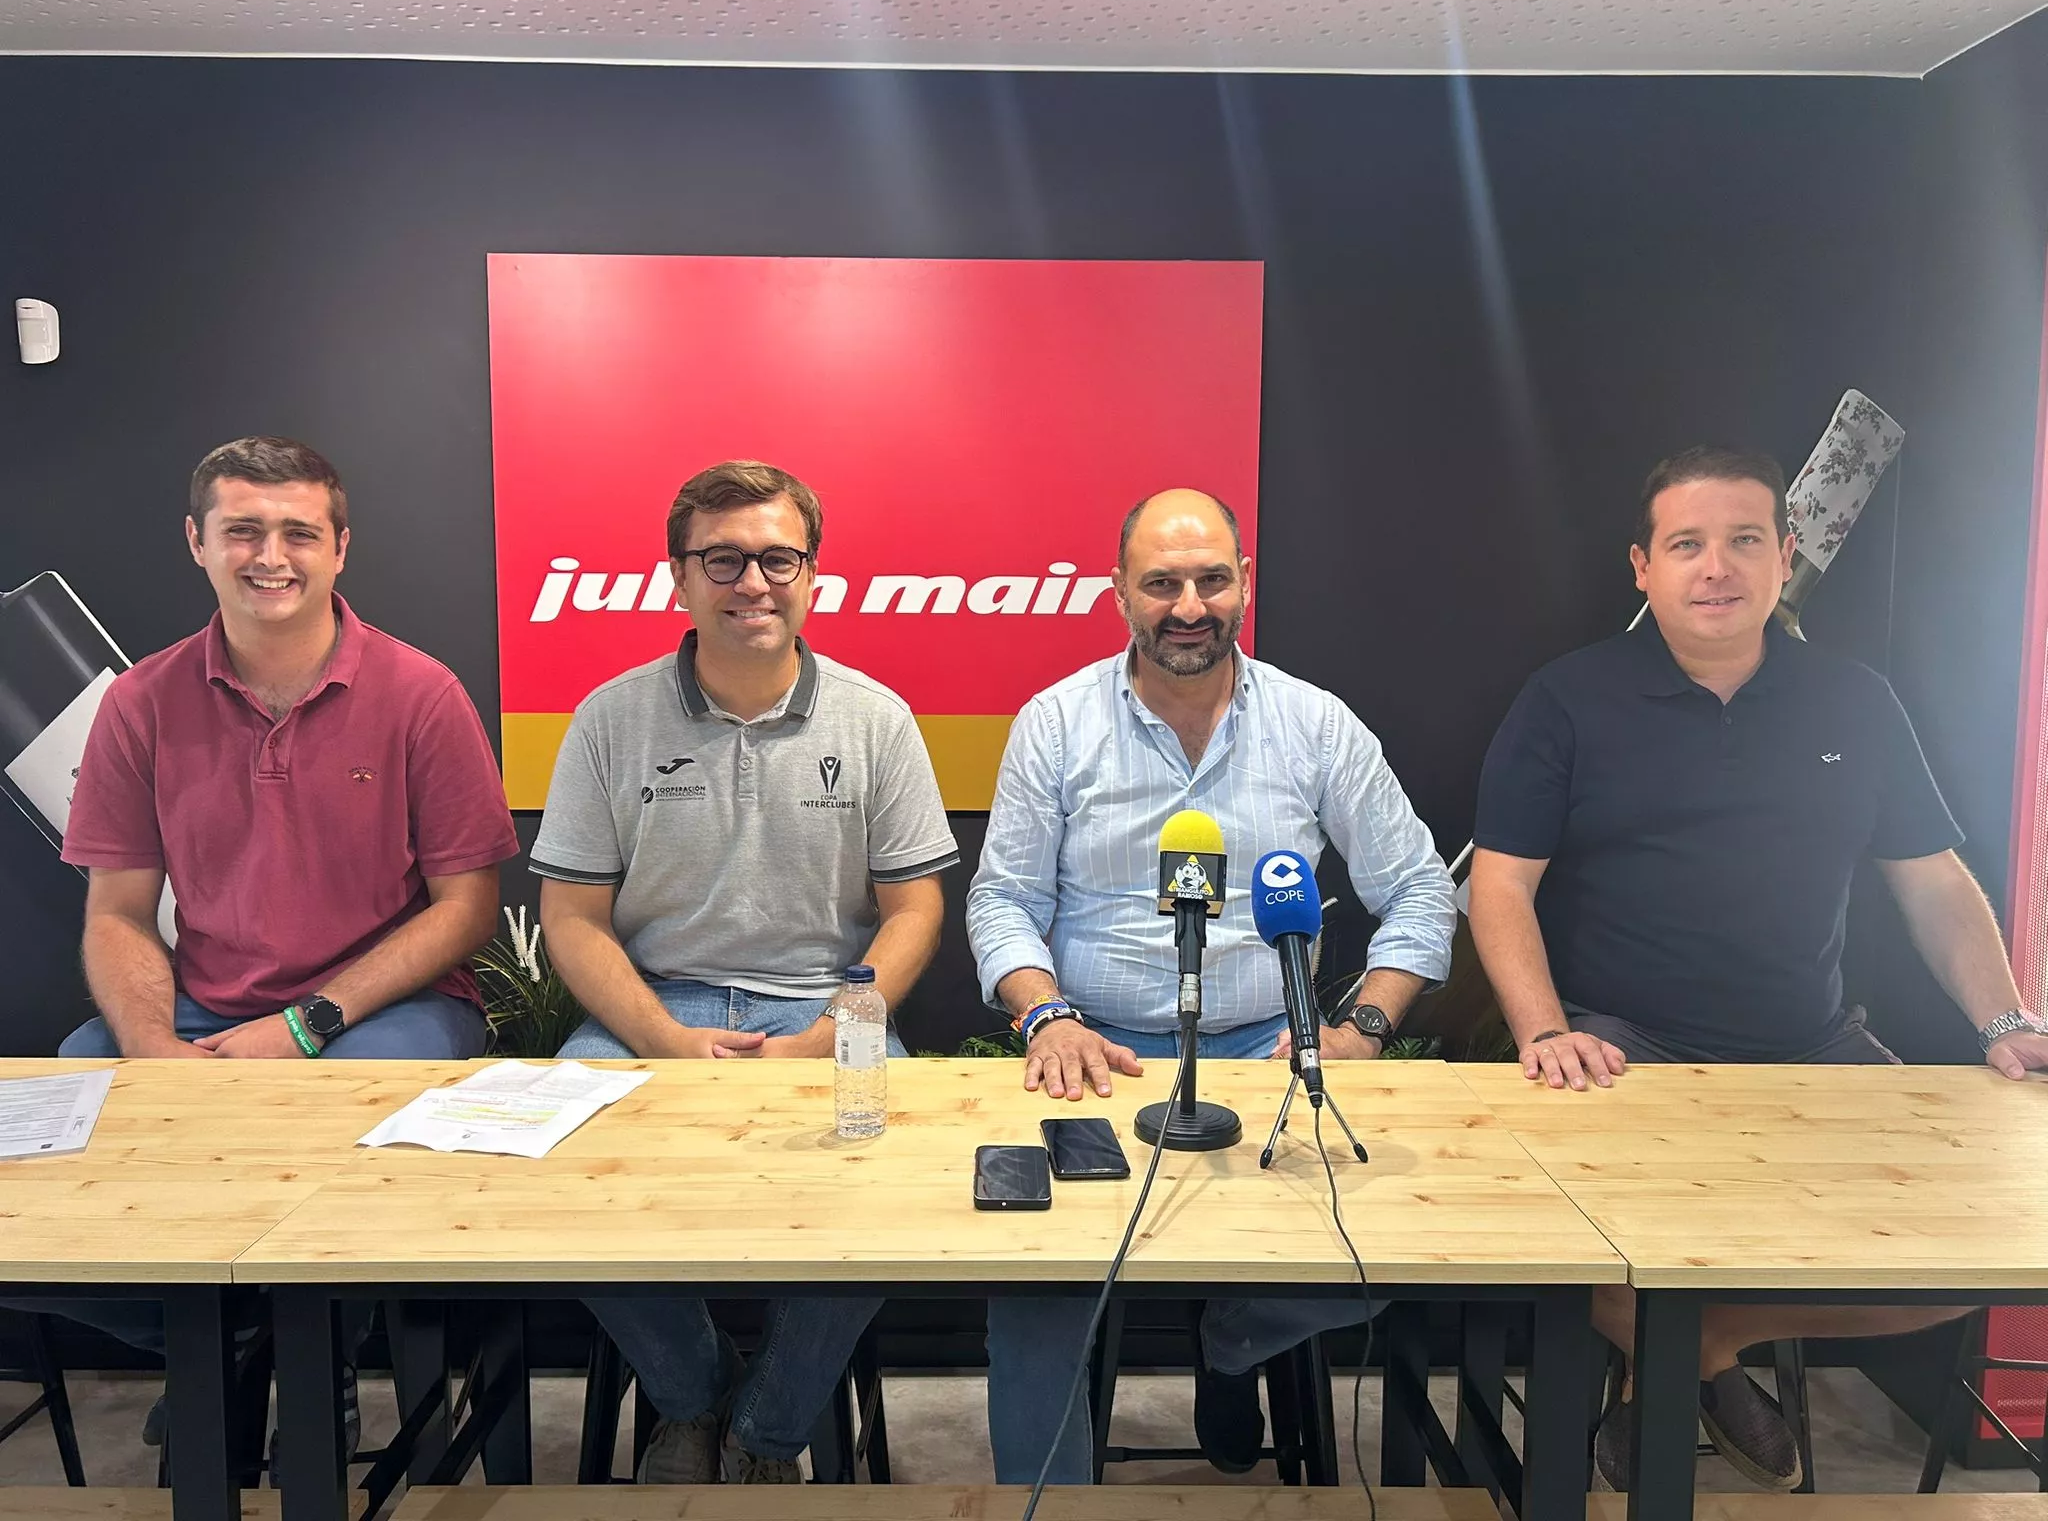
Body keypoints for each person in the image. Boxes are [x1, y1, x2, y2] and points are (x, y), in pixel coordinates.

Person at [1468, 444, 2048, 1492]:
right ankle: (1695, 1350)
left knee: (1991, 1241)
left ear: (1784, 557)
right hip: (1615, 1049)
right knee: (1540, 1230)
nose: (1715, 567)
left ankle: (1691, 1348)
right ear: (1641, 567)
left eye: (1742, 541)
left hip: (1808, 1046)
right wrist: (1544, 1032)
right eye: (1686, 545)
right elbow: (1499, 886)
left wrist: (2002, 1022)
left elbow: (1930, 879)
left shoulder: (1856, 700)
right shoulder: (1566, 698)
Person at [966, 488, 1457, 1481]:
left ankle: (1231, 1332)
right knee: (1032, 1296)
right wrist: (1045, 1014)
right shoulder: (1055, 725)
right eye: (1160, 584)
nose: (1187, 605)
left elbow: (1417, 893)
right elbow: (1001, 901)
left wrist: (1357, 1028)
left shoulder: (1317, 728)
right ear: (1118, 596)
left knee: (1397, 1250)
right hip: (1093, 1059)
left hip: (1265, 1057)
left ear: (1244, 586)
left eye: (1209, 580)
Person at [44, 433, 519, 1447]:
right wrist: (154, 1052)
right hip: (204, 1008)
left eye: (299, 531)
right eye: (244, 530)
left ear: (340, 547)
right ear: (197, 543)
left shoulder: (419, 693)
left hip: (391, 1010)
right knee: (62, 1138)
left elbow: (465, 910)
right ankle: (242, 1339)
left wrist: (302, 1027)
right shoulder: (140, 704)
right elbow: (119, 912)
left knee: (335, 1122)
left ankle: (295, 1353)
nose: (273, 555)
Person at [533, 459, 957, 1484]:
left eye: (776, 557)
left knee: (890, 1180)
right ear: (678, 577)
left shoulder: (874, 718)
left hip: (823, 1001)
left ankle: (767, 1430)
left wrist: (832, 1031)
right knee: (554, 1169)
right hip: (655, 1005)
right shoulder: (609, 718)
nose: (751, 581)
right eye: (722, 559)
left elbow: (914, 910)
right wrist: (664, 1043)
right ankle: (692, 1393)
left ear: (811, 574)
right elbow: (574, 920)